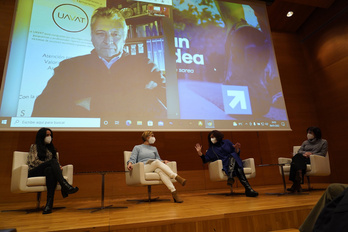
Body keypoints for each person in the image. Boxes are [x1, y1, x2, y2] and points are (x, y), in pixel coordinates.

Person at [32, 7, 166, 118]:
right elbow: (43, 108)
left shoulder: (145, 65)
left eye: (115, 34)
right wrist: (138, 95)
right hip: (83, 139)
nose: (108, 41)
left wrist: (94, 103)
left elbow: (165, 106)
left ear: (125, 36)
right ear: (92, 36)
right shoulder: (69, 67)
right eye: (101, 33)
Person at [27, 128, 79, 214]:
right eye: (47, 135)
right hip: (34, 171)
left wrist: (58, 166)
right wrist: (52, 163)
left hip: (46, 171)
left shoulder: (51, 149)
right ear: (42, 136)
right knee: (52, 163)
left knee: (50, 171)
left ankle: (49, 205)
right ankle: (64, 184)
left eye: (50, 135)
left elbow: (55, 164)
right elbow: (34, 162)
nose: (49, 137)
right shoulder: (34, 147)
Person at [127, 131, 187, 203]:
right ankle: (175, 176)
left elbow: (158, 159)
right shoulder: (137, 147)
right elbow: (132, 158)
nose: (153, 137)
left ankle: (174, 192)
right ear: (147, 137)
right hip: (143, 168)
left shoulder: (154, 148)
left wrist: (164, 161)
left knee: (160, 171)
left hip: (154, 166)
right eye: (152, 136)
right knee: (156, 162)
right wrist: (130, 163)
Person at [194, 130, 258, 197]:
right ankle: (248, 189)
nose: (212, 139)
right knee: (238, 167)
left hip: (236, 161)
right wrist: (199, 153)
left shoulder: (227, 142)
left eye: (213, 137)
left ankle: (231, 176)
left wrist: (236, 148)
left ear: (218, 136)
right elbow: (205, 160)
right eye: (210, 137)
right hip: (226, 165)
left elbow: (237, 153)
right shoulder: (211, 149)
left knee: (233, 155)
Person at [288, 127, 328, 193]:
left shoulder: (323, 142)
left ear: (316, 133)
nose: (308, 134)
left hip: (313, 160)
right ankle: (298, 181)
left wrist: (311, 154)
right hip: (303, 158)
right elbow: (300, 151)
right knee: (297, 157)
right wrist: (305, 153)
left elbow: (322, 153)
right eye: (307, 133)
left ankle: (296, 183)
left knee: (295, 161)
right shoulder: (305, 142)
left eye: (310, 133)